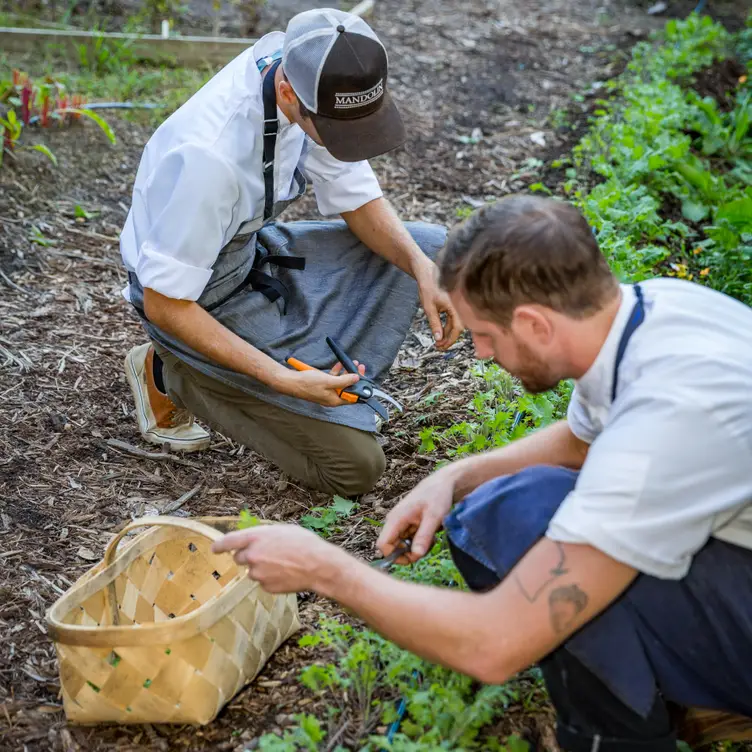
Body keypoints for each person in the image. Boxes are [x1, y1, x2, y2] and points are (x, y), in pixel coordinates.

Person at [212, 195, 752, 751]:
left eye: (484, 336)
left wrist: (327, 570)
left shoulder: (665, 426)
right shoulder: (652, 312)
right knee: (508, 508)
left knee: (533, 557)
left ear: (536, 324)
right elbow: (583, 440)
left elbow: (495, 645)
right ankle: (682, 693)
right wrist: (454, 476)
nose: (482, 355)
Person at [118, 8, 462, 497]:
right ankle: (171, 371)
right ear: (287, 95)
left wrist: (422, 269)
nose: (352, 144)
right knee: (355, 468)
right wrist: (282, 381)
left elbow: (354, 193)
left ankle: (307, 368)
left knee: (423, 249)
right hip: (193, 299)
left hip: (251, 255)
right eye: (340, 131)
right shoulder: (209, 159)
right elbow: (165, 303)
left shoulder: (308, 70)